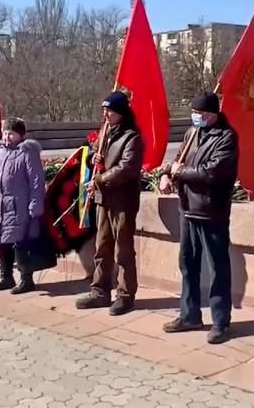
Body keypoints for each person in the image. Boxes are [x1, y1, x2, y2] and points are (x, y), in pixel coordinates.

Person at [158, 93, 238, 345]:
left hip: (211, 210)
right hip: (188, 208)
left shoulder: (226, 137)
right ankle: (189, 314)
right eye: (194, 111)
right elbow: (177, 159)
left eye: (200, 112)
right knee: (188, 264)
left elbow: (214, 172)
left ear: (212, 114)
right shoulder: (192, 134)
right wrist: (167, 175)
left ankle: (220, 321)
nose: (196, 116)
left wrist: (182, 172)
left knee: (217, 267)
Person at [75, 91, 143, 316]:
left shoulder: (132, 137)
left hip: (122, 200)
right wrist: (92, 158)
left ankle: (125, 295)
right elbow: (96, 156)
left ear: (121, 112)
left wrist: (99, 180)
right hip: (103, 199)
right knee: (102, 247)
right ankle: (100, 291)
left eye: (110, 110)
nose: (105, 114)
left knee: (122, 249)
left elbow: (126, 168)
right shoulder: (105, 132)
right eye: (104, 109)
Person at [0, 118, 46, 294]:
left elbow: (37, 180)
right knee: (4, 242)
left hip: (19, 206)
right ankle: (5, 276)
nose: (7, 137)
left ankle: (26, 278)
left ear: (20, 135)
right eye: (5, 132)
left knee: (21, 243)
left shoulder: (27, 152)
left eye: (11, 133)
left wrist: (35, 203)